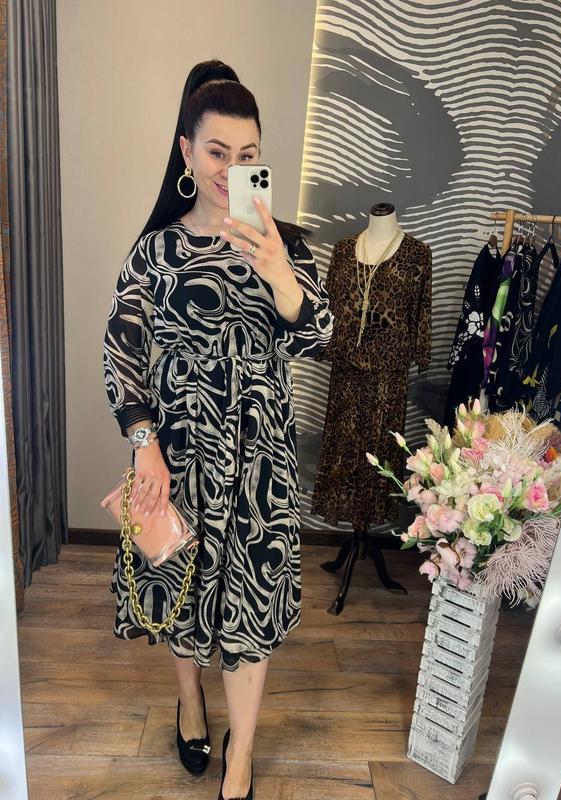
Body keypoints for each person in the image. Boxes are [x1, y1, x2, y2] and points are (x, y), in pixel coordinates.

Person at [102, 59, 334, 800]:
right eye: (216, 151)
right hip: (176, 457)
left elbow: (318, 338)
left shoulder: (284, 247)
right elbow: (121, 354)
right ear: (186, 151)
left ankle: (242, 757)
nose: (230, 168)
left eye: (248, 154)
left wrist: (281, 275)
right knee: (181, 582)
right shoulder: (157, 252)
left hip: (260, 459)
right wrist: (145, 447)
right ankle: (190, 701)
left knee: (251, 604)